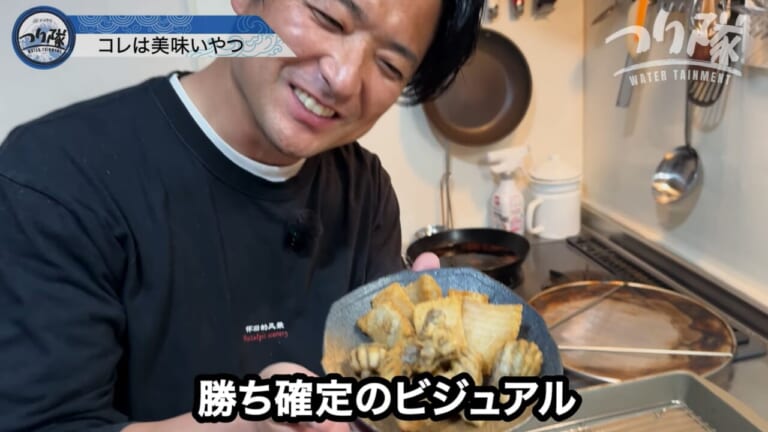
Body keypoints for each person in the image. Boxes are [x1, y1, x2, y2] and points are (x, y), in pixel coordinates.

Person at [0, 0, 485, 430]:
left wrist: (420, 368)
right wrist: (245, 425)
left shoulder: (364, 190)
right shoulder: (55, 177)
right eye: (328, 18)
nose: (342, 79)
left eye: (389, 65)